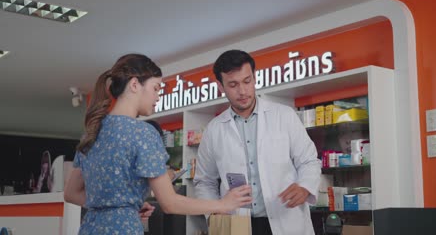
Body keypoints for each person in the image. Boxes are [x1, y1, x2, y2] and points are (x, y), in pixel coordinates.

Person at [64, 53, 251, 234]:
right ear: (135, 84)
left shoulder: (92, 132)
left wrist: (120, 208)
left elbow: (71, 193)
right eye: (156, 88)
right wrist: (223, 204)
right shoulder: (143, 133)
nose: (158, 96)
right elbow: (170, 203)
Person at [194, 50, 322, 235]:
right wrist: (214, 212)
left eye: (247, 81)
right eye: (233, 85)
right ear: (221, 87)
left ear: (254, 78)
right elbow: (205, 181)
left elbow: (309, 161)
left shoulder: (283, 115)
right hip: (237, 224)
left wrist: (304, 186)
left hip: (285, 220)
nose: (243, 91)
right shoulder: (214, 129)